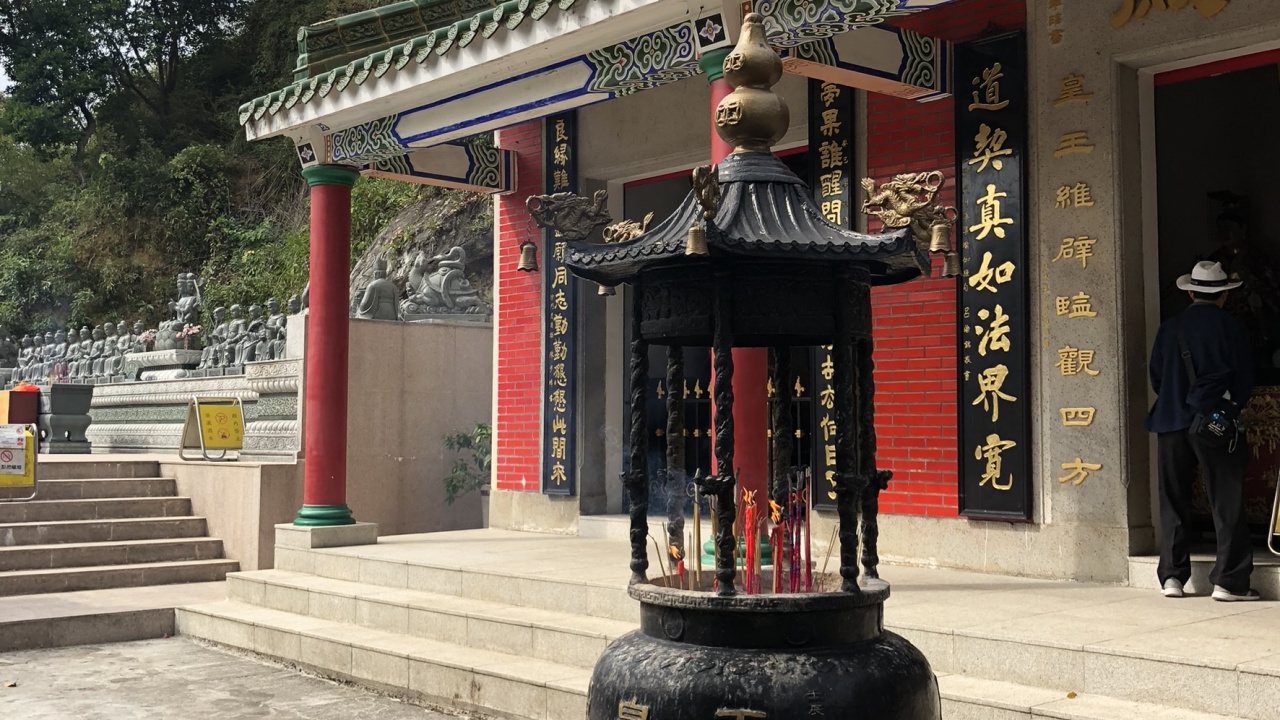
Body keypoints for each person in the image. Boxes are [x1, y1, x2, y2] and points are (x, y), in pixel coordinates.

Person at [1146, 261, 1257, 601]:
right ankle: (1229, 581)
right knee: (1225, 500)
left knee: (1173, 500)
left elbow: (1157, 378)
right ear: (1223, 295)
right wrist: (1230, 405)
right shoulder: (1232, 328)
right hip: (1213, 424)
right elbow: (1244, 379)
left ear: (1191, 292)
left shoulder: (1171, 328)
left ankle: (1172, 578)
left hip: (1171, 423)